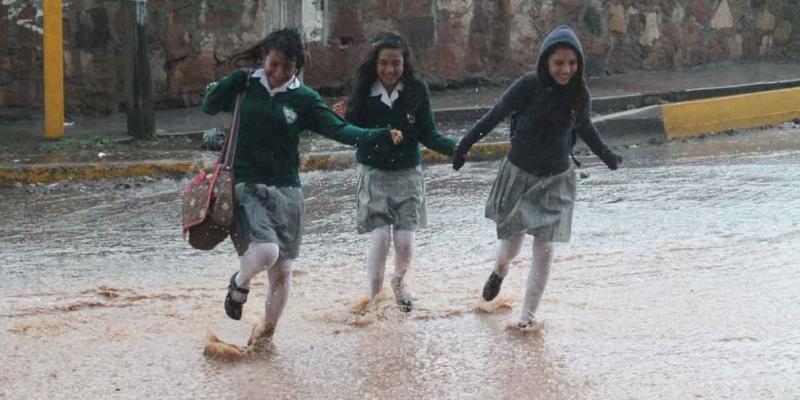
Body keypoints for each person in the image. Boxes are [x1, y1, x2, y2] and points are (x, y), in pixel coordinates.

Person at [201, 28, 403, 344]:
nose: (279, 73)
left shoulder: (303, 99)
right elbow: (209, 105)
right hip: (246, 186)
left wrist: (377, 135)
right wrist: (231, 81)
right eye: (274, 64)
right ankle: (239, 283)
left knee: (282, 272)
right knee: (266, 251)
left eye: (288, 67)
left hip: (288, 192)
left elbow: (340, 129)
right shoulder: (245, 84)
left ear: (297, 68)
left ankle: (265, 336)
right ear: (265, 57)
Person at [452, 25, 622, 328]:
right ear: (545, 61)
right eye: (559, 63)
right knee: (511, 248)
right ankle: (499, 270)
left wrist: (607, 155)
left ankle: (526, 320)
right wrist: (465, 144)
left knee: (544, 251)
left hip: (557, 180)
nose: (566, 69)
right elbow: (495, 115)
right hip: (520, 176)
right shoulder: (527, 86)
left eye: (572, 63)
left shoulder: (579, 94)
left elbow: (585, 128)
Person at [332, 32, 455, 312]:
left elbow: (429, 134)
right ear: (375, 64)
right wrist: (341, 118)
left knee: (404, 241)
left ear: (404, 63)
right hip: (373, 174)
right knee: (380, 238)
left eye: (396, 63)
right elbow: (352, 134)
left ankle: (399, 282)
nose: (390, 70)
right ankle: (374, 299)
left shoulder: (417, 90)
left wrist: (455, 149)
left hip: (408, 174)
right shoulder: (362, 93)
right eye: (384, 63)